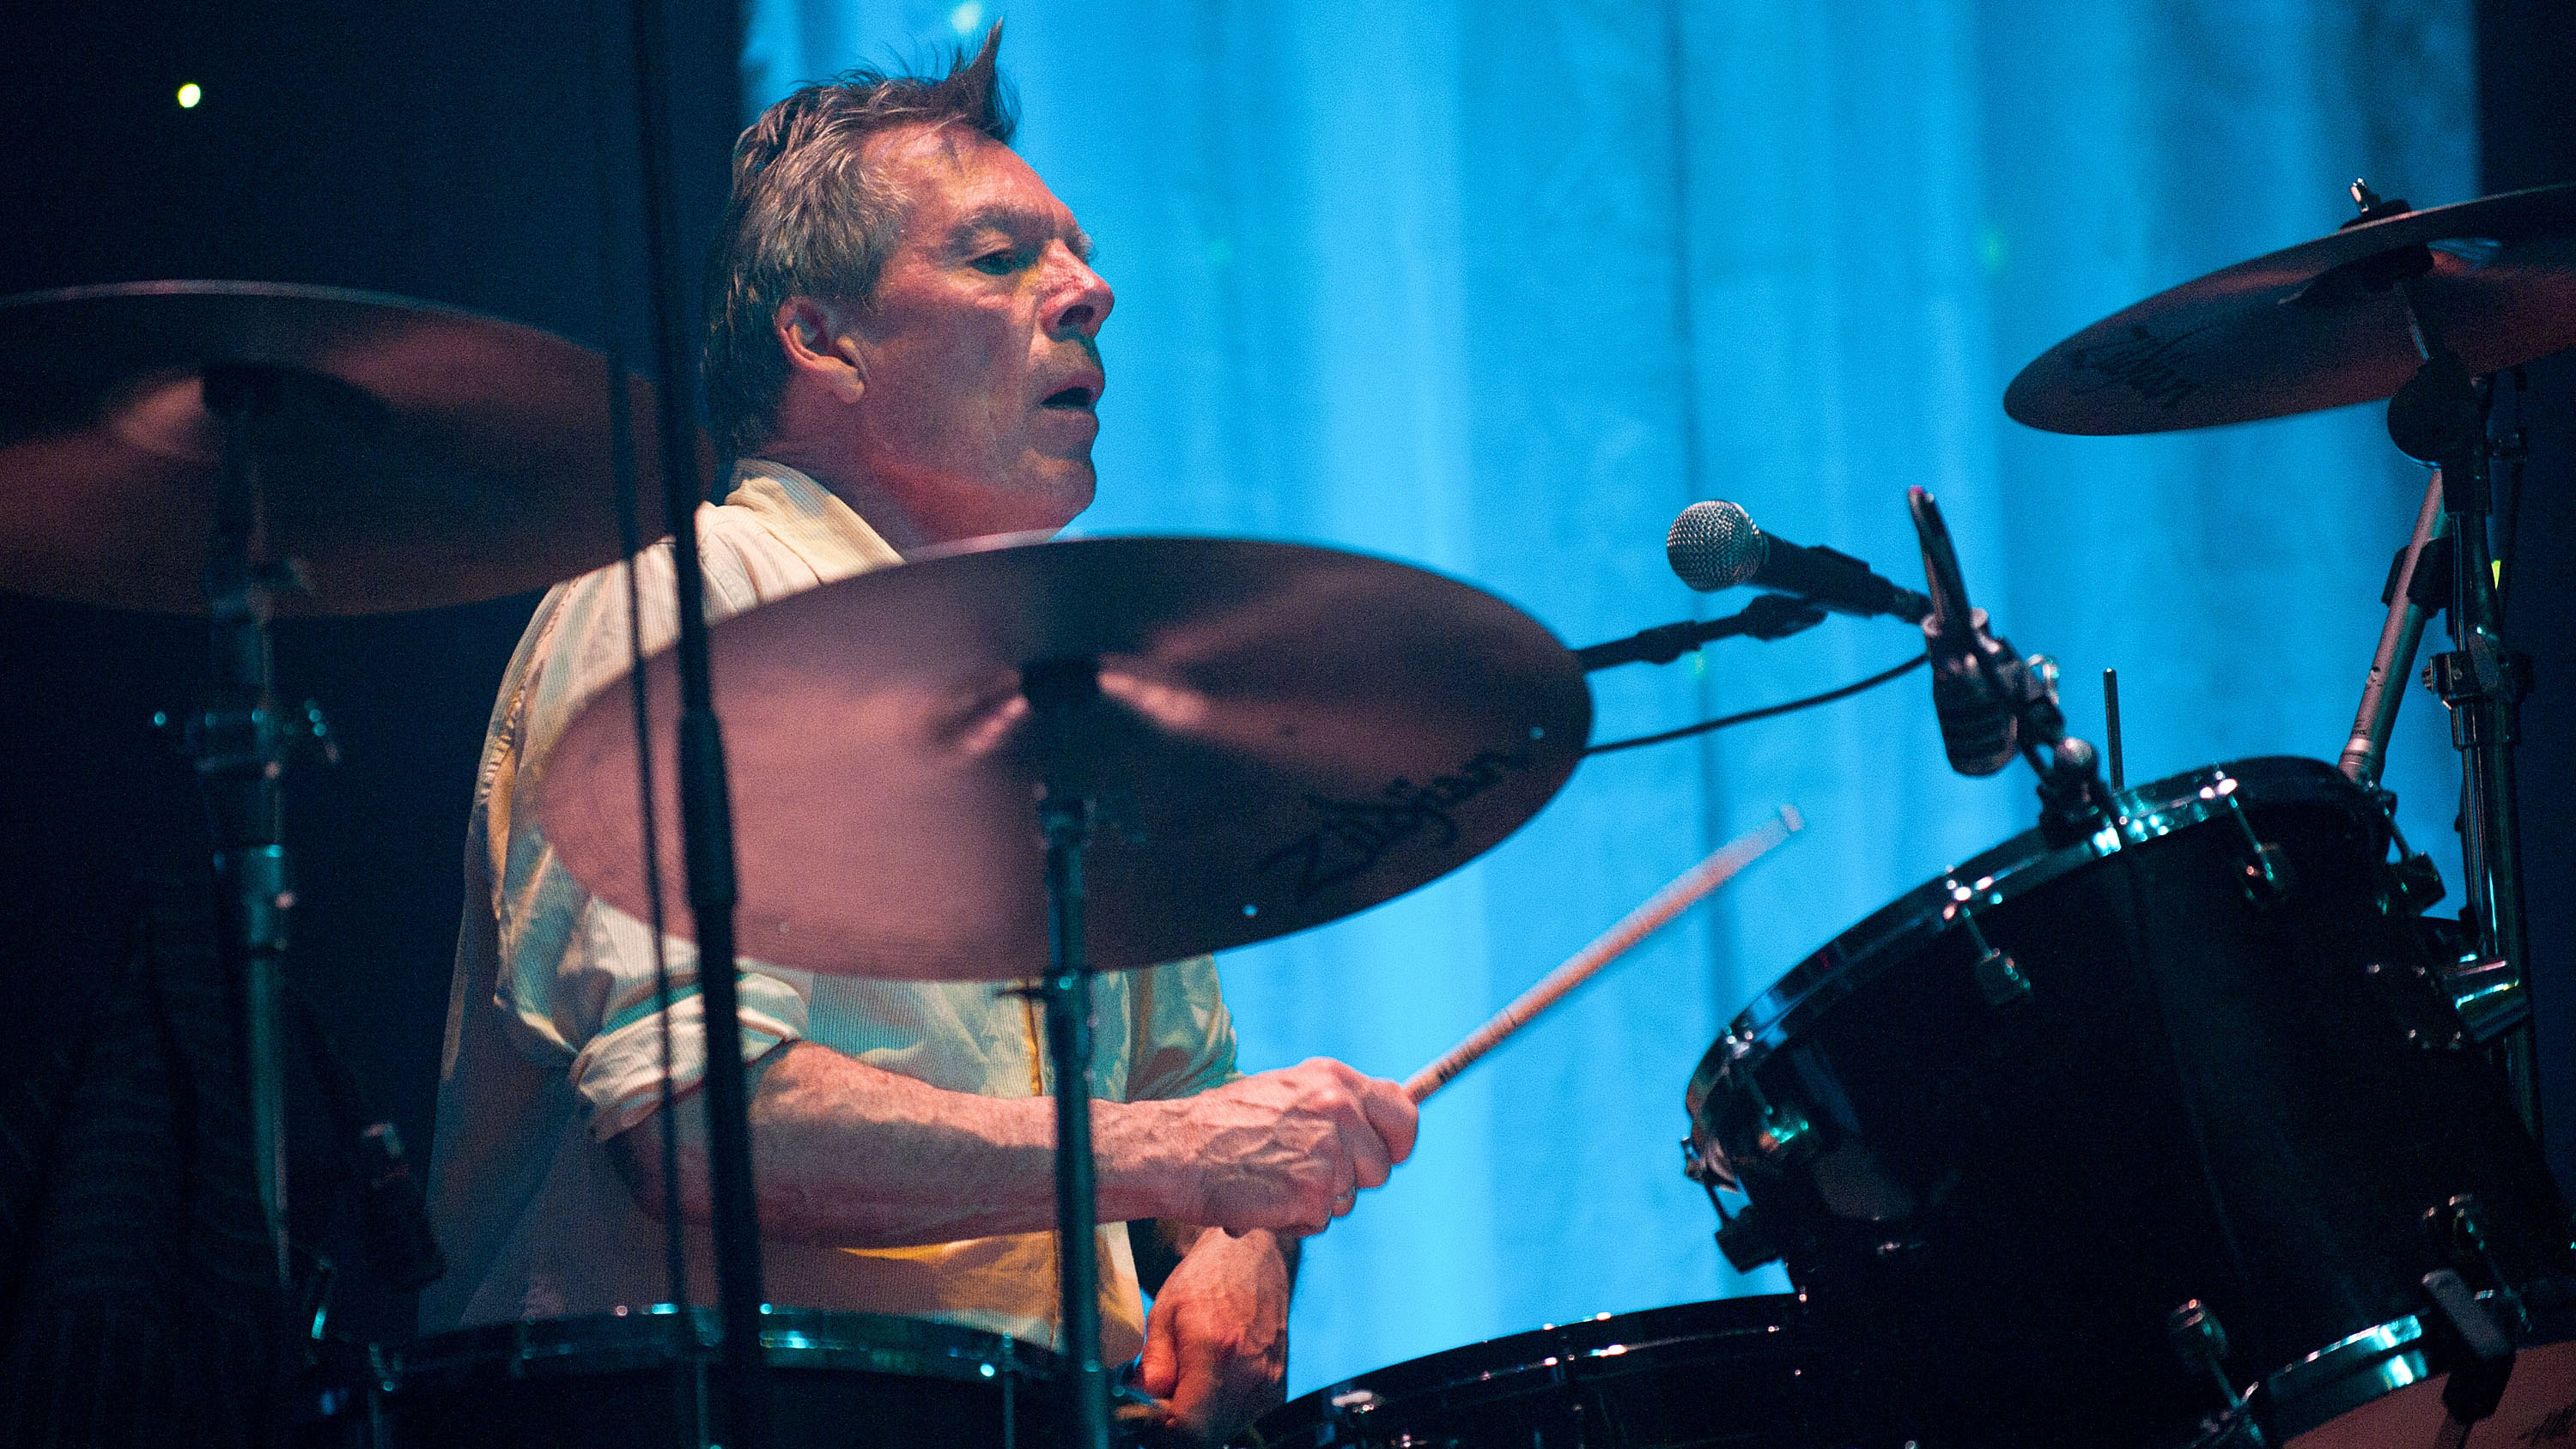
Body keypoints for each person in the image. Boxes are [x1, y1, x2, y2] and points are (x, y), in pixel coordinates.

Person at [419, 25, 1419, 1446]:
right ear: (821, 337)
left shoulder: (1076, 699)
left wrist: (1239, 1245)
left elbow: (1195, 1115)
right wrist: (1174, 1155)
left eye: (1075, 257)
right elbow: (693, 1123)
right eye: (1001, 260)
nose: (1091, 293)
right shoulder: (680, 622)